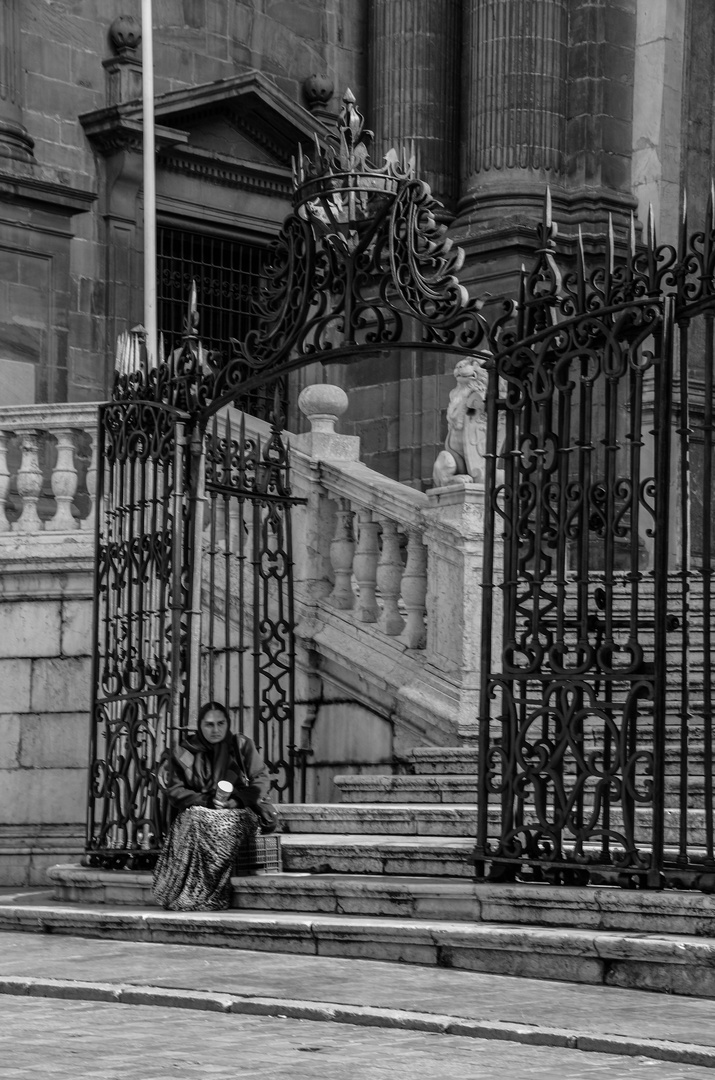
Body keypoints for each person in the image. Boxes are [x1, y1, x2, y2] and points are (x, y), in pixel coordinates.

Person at [152, 701, 278, 912]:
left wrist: (236, 801)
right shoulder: (185, 752)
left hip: (240, 811)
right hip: (200, 810)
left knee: (199, 819)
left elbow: (261, 780)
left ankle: (208, 893)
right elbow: (175, 791)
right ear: (199, 725)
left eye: (220, 723)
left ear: (227, 724)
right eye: (209, 724)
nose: (216, 729)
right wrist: (206, 802)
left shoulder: (241, 746)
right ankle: (177, 889)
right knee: (196, 817)